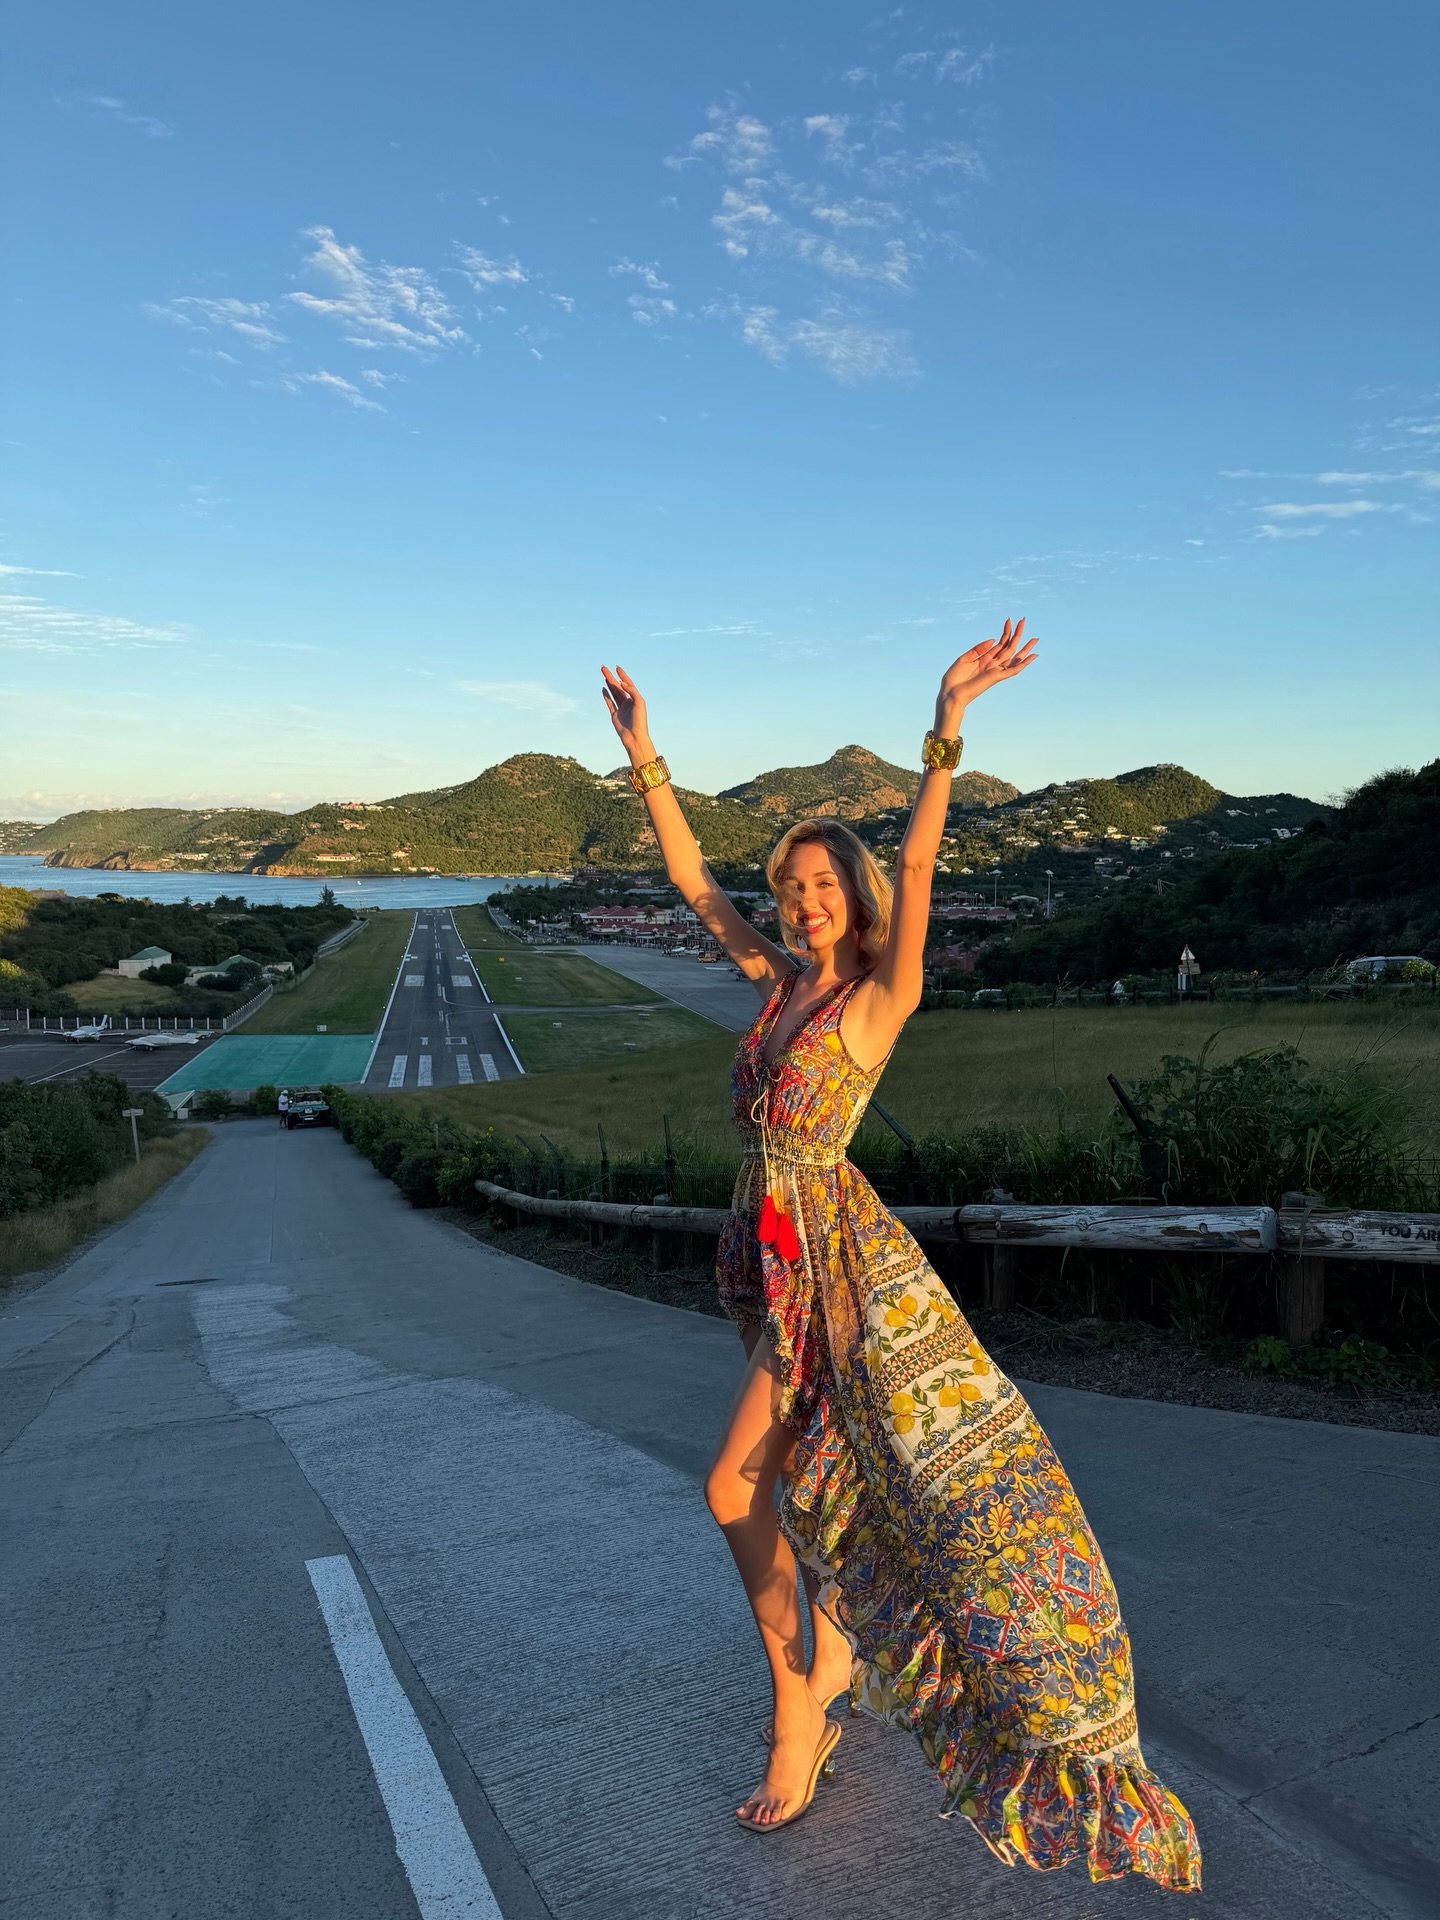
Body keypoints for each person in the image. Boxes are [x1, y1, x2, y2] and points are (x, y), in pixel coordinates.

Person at [600, 626, 1200, 1888]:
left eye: (824, 884)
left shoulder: (879, 1001)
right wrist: (647, 756)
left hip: (837, 1273)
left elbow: (921, 859)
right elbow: (695, 884)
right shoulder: (777, 985)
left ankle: (804, 1700)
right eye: (792, 885)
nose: (804, 901)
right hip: (769, 1258)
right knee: (795, 1484)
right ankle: (820, 1665)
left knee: (734, 1491)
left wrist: (946, 725)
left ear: (856, 894)